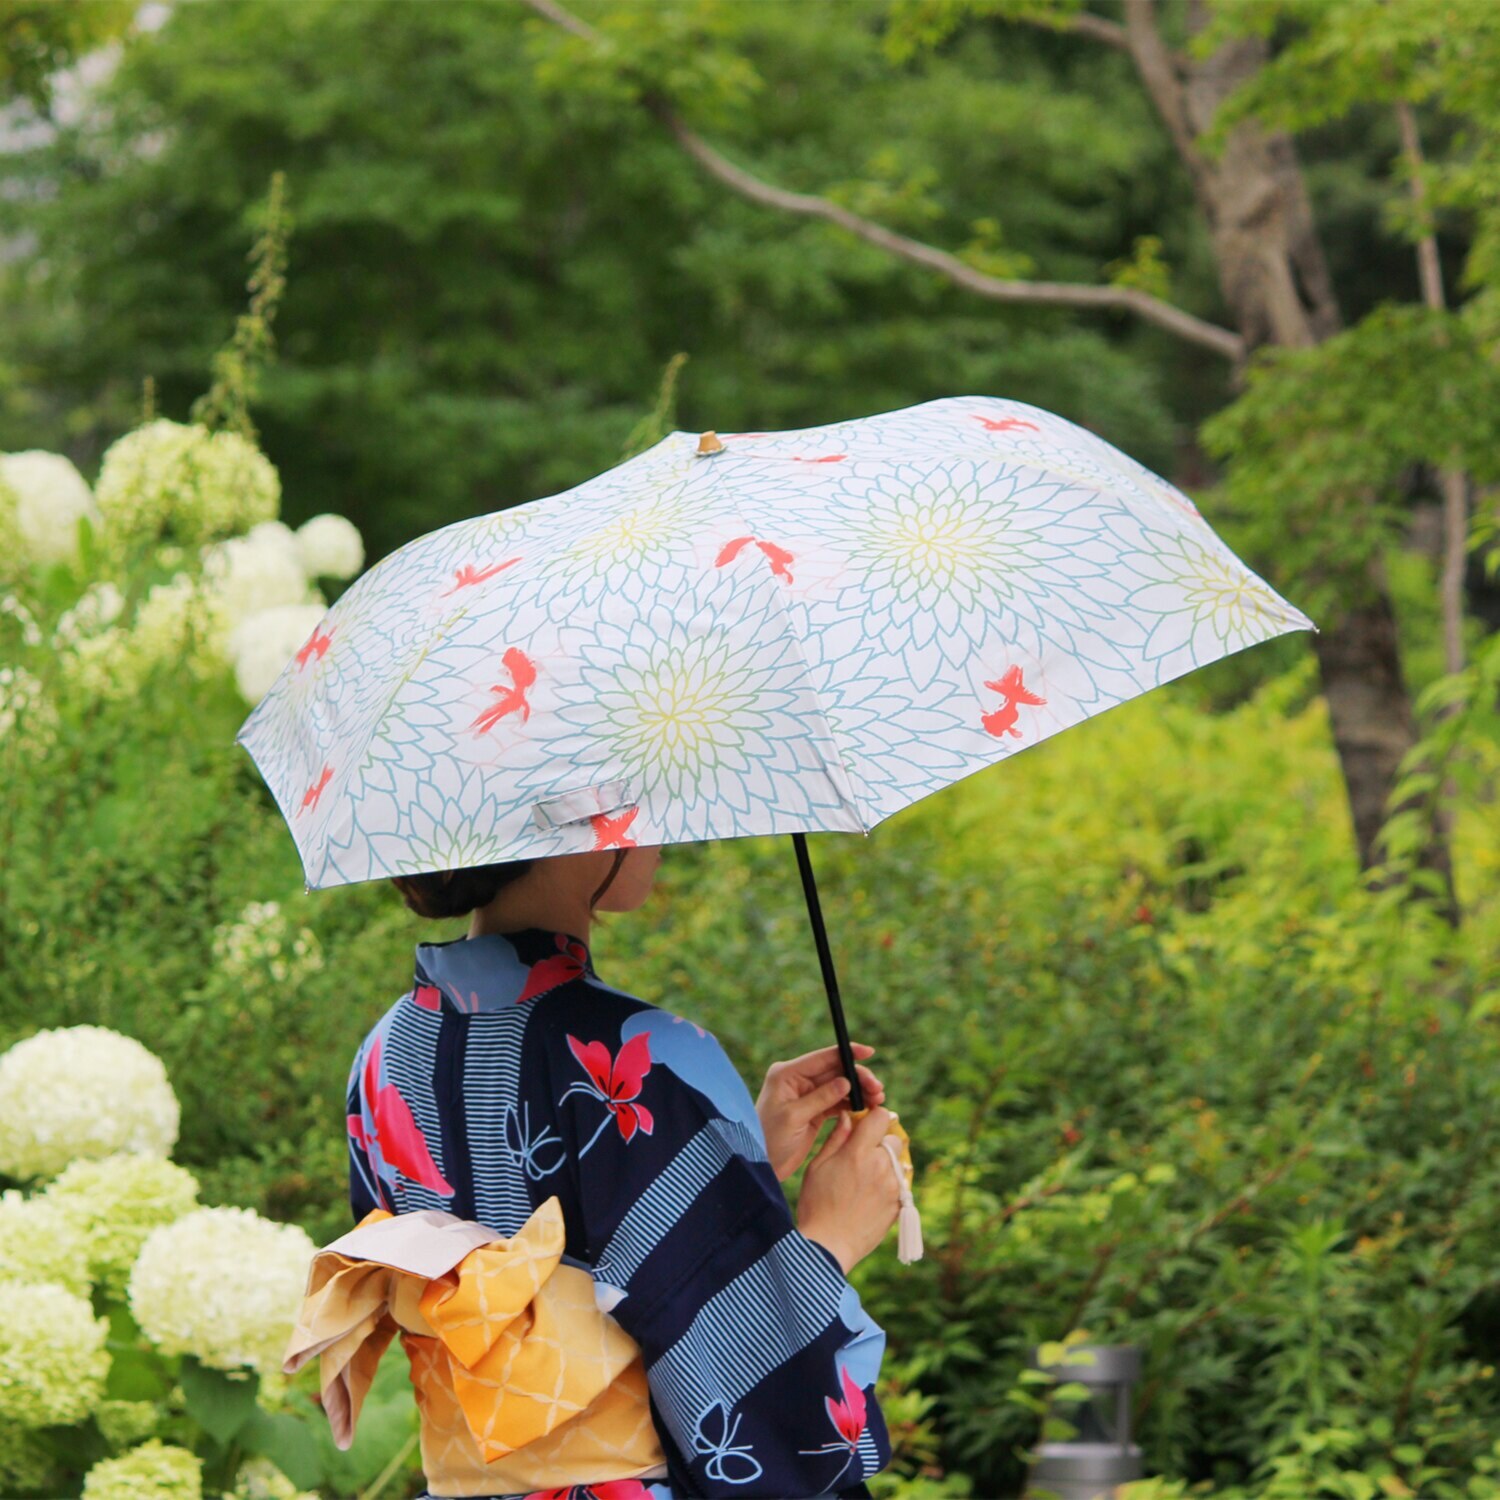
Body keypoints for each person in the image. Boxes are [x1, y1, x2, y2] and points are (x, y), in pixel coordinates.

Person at [340, 841, 904, 1500]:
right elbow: (747, 1417)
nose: (659, 834)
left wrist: (743, 1161)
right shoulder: (649, 1052)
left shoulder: (383, 1054)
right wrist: (832, 1235)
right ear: (587, 812)